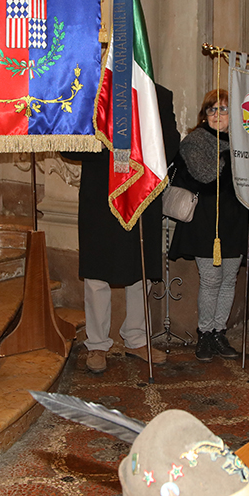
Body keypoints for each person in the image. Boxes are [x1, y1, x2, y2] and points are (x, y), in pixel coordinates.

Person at [71, 84, 181, 374]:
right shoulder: (91, 91)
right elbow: (68, 144)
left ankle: (136, 338)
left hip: (140, 192)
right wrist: (113, 149)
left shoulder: (158, 94)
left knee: (140, 268)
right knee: (97, 272)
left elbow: (170, 144)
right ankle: (96, 343)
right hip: (100, 194)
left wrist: (135, 152)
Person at [169, 89, 249, 362]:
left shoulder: (245, 142)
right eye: (212, 109)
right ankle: (204, 333)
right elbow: (208, 179)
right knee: (212, 280)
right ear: (204, 114)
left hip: (235, 219)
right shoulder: (195, 141)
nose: (217, 115)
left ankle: (219, 332)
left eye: (223, 109)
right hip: (206, 221)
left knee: (229, 280)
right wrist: (231, 159)